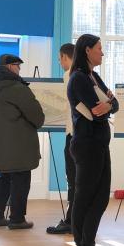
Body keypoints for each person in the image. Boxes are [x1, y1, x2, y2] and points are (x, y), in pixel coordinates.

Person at [67, 34, 119, 246]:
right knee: (85, 199)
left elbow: (113, 104)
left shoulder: (93, 76)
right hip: (87, 146)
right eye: (99, 48)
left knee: (100, 200)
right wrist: (107, 105)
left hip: (99, 145)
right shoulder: (78, 78)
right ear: (87, 50)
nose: (102, 52)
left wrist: (109, 105)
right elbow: (96, 111)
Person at [0, 54, 45, 230]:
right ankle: (17, 219)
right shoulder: (17, 88)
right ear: (11, 67)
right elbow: (37, 116)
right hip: (20, 144)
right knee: (21, 179)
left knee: (4, 177)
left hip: (2, 145)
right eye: (18, 66)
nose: (19, 69)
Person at [47, 43, 76, 235]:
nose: (60, 62)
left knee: (73, 181)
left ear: (66, 57)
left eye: (60, 59)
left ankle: (71, 221)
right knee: (79, 181)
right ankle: (75, 220)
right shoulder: (86, 75)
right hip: (81, 136)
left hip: (73, 136)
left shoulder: (70, 76)